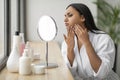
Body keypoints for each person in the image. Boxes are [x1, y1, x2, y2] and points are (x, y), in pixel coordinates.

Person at [61, 3, 120, 80]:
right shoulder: (67, 42)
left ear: (82, 18)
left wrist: (87, 43)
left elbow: (102, 74)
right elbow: (69, 73)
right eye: (65, 16)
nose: (65, 20)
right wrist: (70, 48)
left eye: (70, 15)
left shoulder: (103, 39)